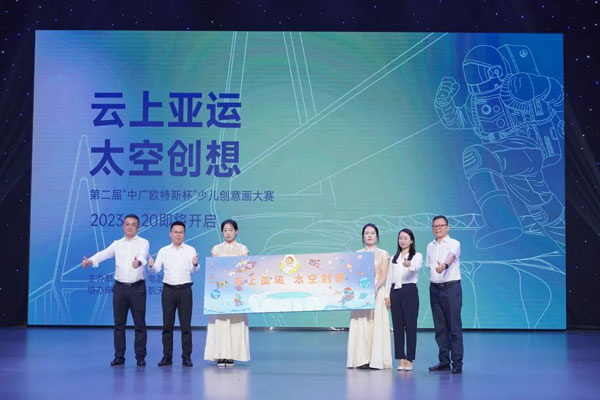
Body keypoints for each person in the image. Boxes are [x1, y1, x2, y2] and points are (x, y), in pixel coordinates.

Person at [82, 214, 149, 367]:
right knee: (119, 325)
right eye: (127, 224)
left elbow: (143, 255)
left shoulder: (143, 242)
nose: (130, 227)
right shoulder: (117, 244)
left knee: (139, 324)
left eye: (133, 224)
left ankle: (140, 357)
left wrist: (138, 262)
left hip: (137, 288)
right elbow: (103, 254)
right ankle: (119, 356)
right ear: (123, 226)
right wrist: (90, 261)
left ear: (138, 227)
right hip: (120, 288)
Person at [148, 221, 199, 367]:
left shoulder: (190, 250)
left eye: (181, 232)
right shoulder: (164, 251)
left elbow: (195, 270)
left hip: (185, 290)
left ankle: (186, 357)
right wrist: (151, 265)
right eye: (175, 232)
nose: (178, 235)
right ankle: (167, 356)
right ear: (170, 233)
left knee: (186, 326)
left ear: (184, 234)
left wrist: (195, 263)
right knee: (167, 325)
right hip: (168, 291)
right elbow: (156, 269)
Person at [204, 219, 250, 367]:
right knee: (221, 322)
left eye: (231, 230)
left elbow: (244, 269)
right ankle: (220, 355)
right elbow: (214, 269)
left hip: (236, 291)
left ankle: (232, 355)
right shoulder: (216, 249)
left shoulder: (243, 249)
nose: (228, 233)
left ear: (236, 231)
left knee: (236, 322)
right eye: (225, 230)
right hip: (220, 292)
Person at [347, 223, 392, 369]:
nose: (370, 235)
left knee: (376, 322)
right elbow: (353, 274)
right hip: (361, 293)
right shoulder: (357, 254)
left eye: (372, 233)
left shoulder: (383, 254)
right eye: (367, 233)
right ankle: (361, 359)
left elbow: (384, 274)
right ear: (363, 237)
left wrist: (375, 288)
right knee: (361, 322)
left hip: (377, 291)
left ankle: (376, 360)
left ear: (377, 236)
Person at [426, 215, 463, 374]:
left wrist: (445, 266)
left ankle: (457, 363)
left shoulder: (454, 243)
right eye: (435, 226)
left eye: (441, 225)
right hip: (435, 289)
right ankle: (444, 361)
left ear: (447, 227)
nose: (437, 228)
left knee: (454, 326)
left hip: (451, 288)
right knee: (440, 328)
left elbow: (451, 256)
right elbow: (429, 266)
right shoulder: (430, 246)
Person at [385, 229, 422, 371]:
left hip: (409, 291)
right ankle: (401, 357)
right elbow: (389, 278)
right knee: (398, 326)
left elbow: (416, 267)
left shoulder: (416, 256)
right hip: (395, 291)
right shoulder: (394, 257)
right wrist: (387, 295)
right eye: (400, 238)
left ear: (411, 240)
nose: (402, 241)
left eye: (406, 238)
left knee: (411, 326)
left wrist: (409, 265)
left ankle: (410, 359)